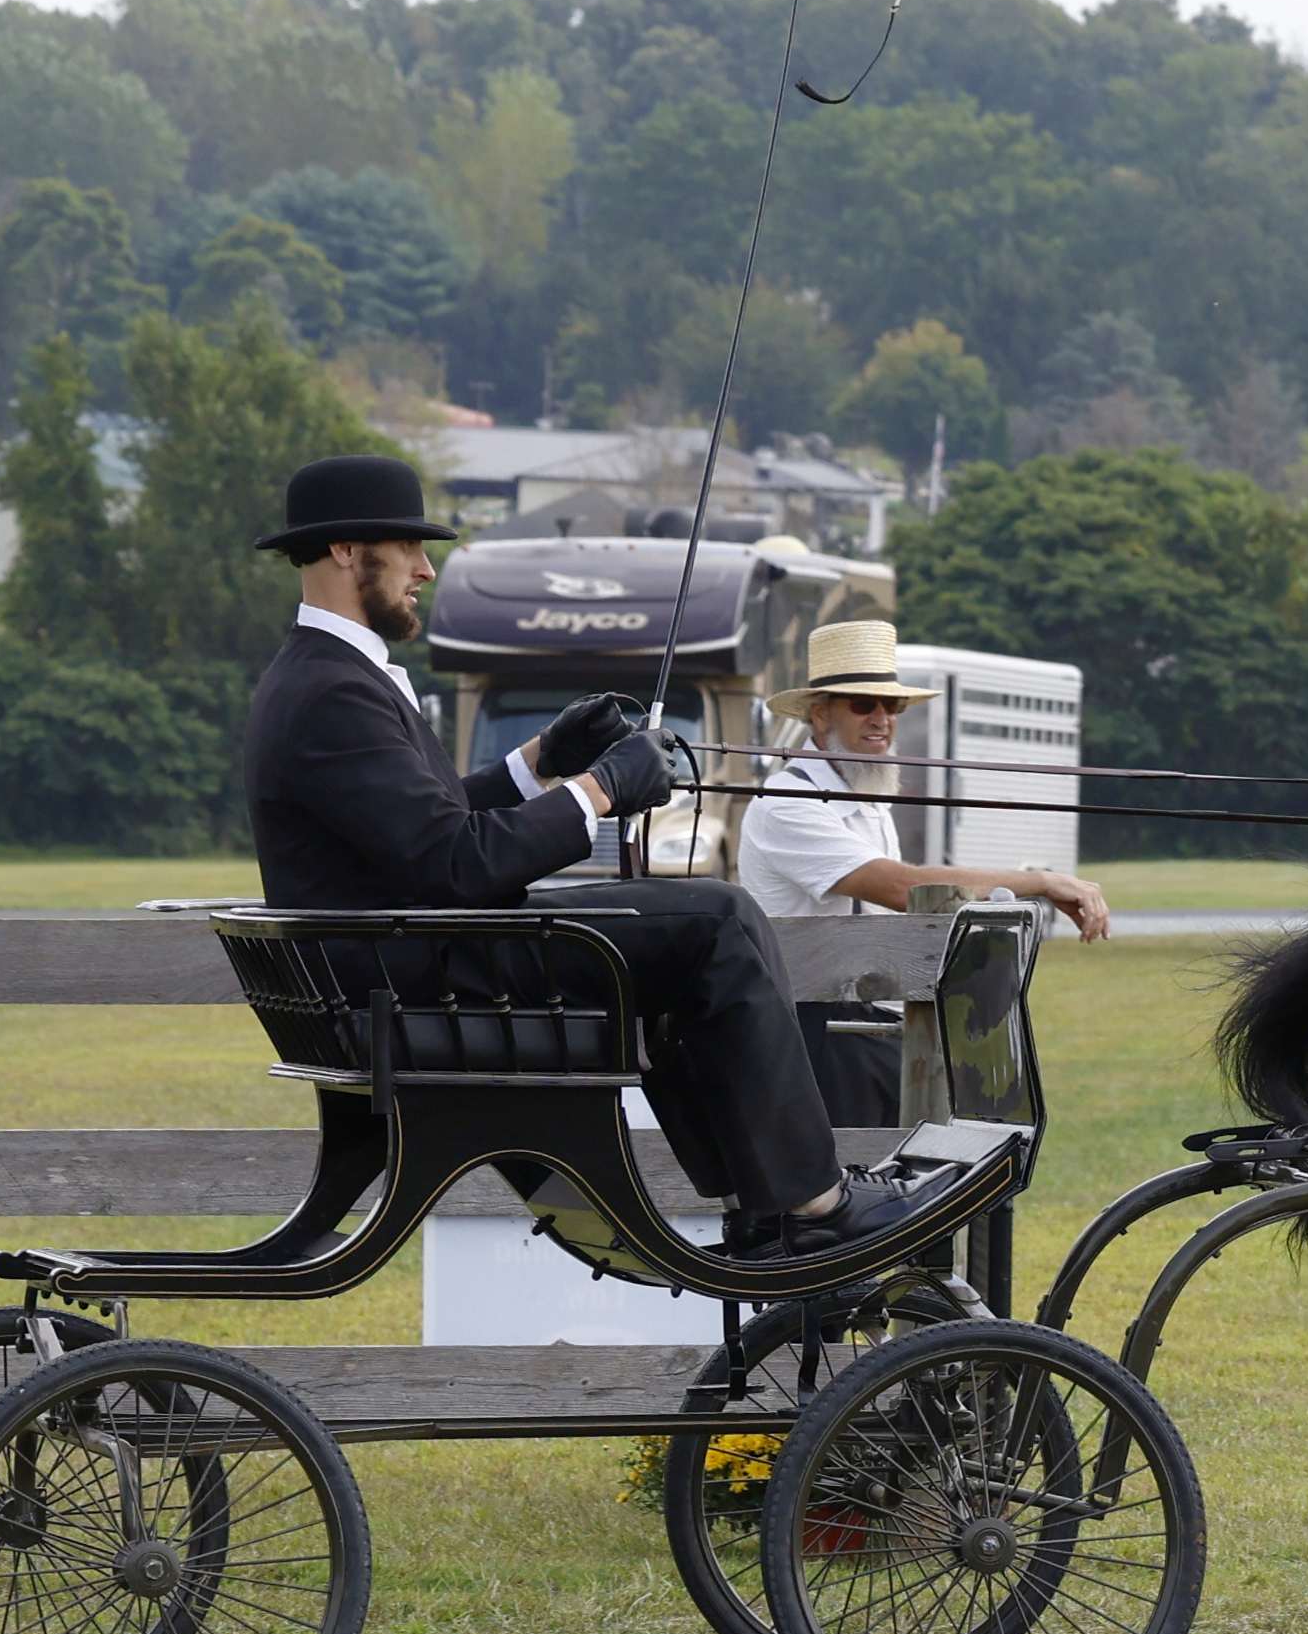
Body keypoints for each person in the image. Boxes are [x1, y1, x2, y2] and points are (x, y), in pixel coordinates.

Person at [238, 454, 944, 1258]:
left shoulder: (323, 677)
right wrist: (603, 789)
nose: (426, 569)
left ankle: (770, 1199)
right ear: (344, 551)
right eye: (410, 549)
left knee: (699, 930)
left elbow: (418, 826)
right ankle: (812, 1204)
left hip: (405, 963)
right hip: (423, 975)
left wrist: (541, 760)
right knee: (717, 920)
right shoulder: (334, 690)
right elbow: (455, 865)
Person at [736, 621, 1110, 1123]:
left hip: (876, 1015)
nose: (882, 720)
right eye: (864, 704)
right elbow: (905, 889)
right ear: (821, 715)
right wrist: (1041, 880)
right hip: (818, 1027)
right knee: (898, 1169)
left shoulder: (864, 802)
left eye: (892, 707)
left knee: (978, 1145)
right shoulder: (786, 802)